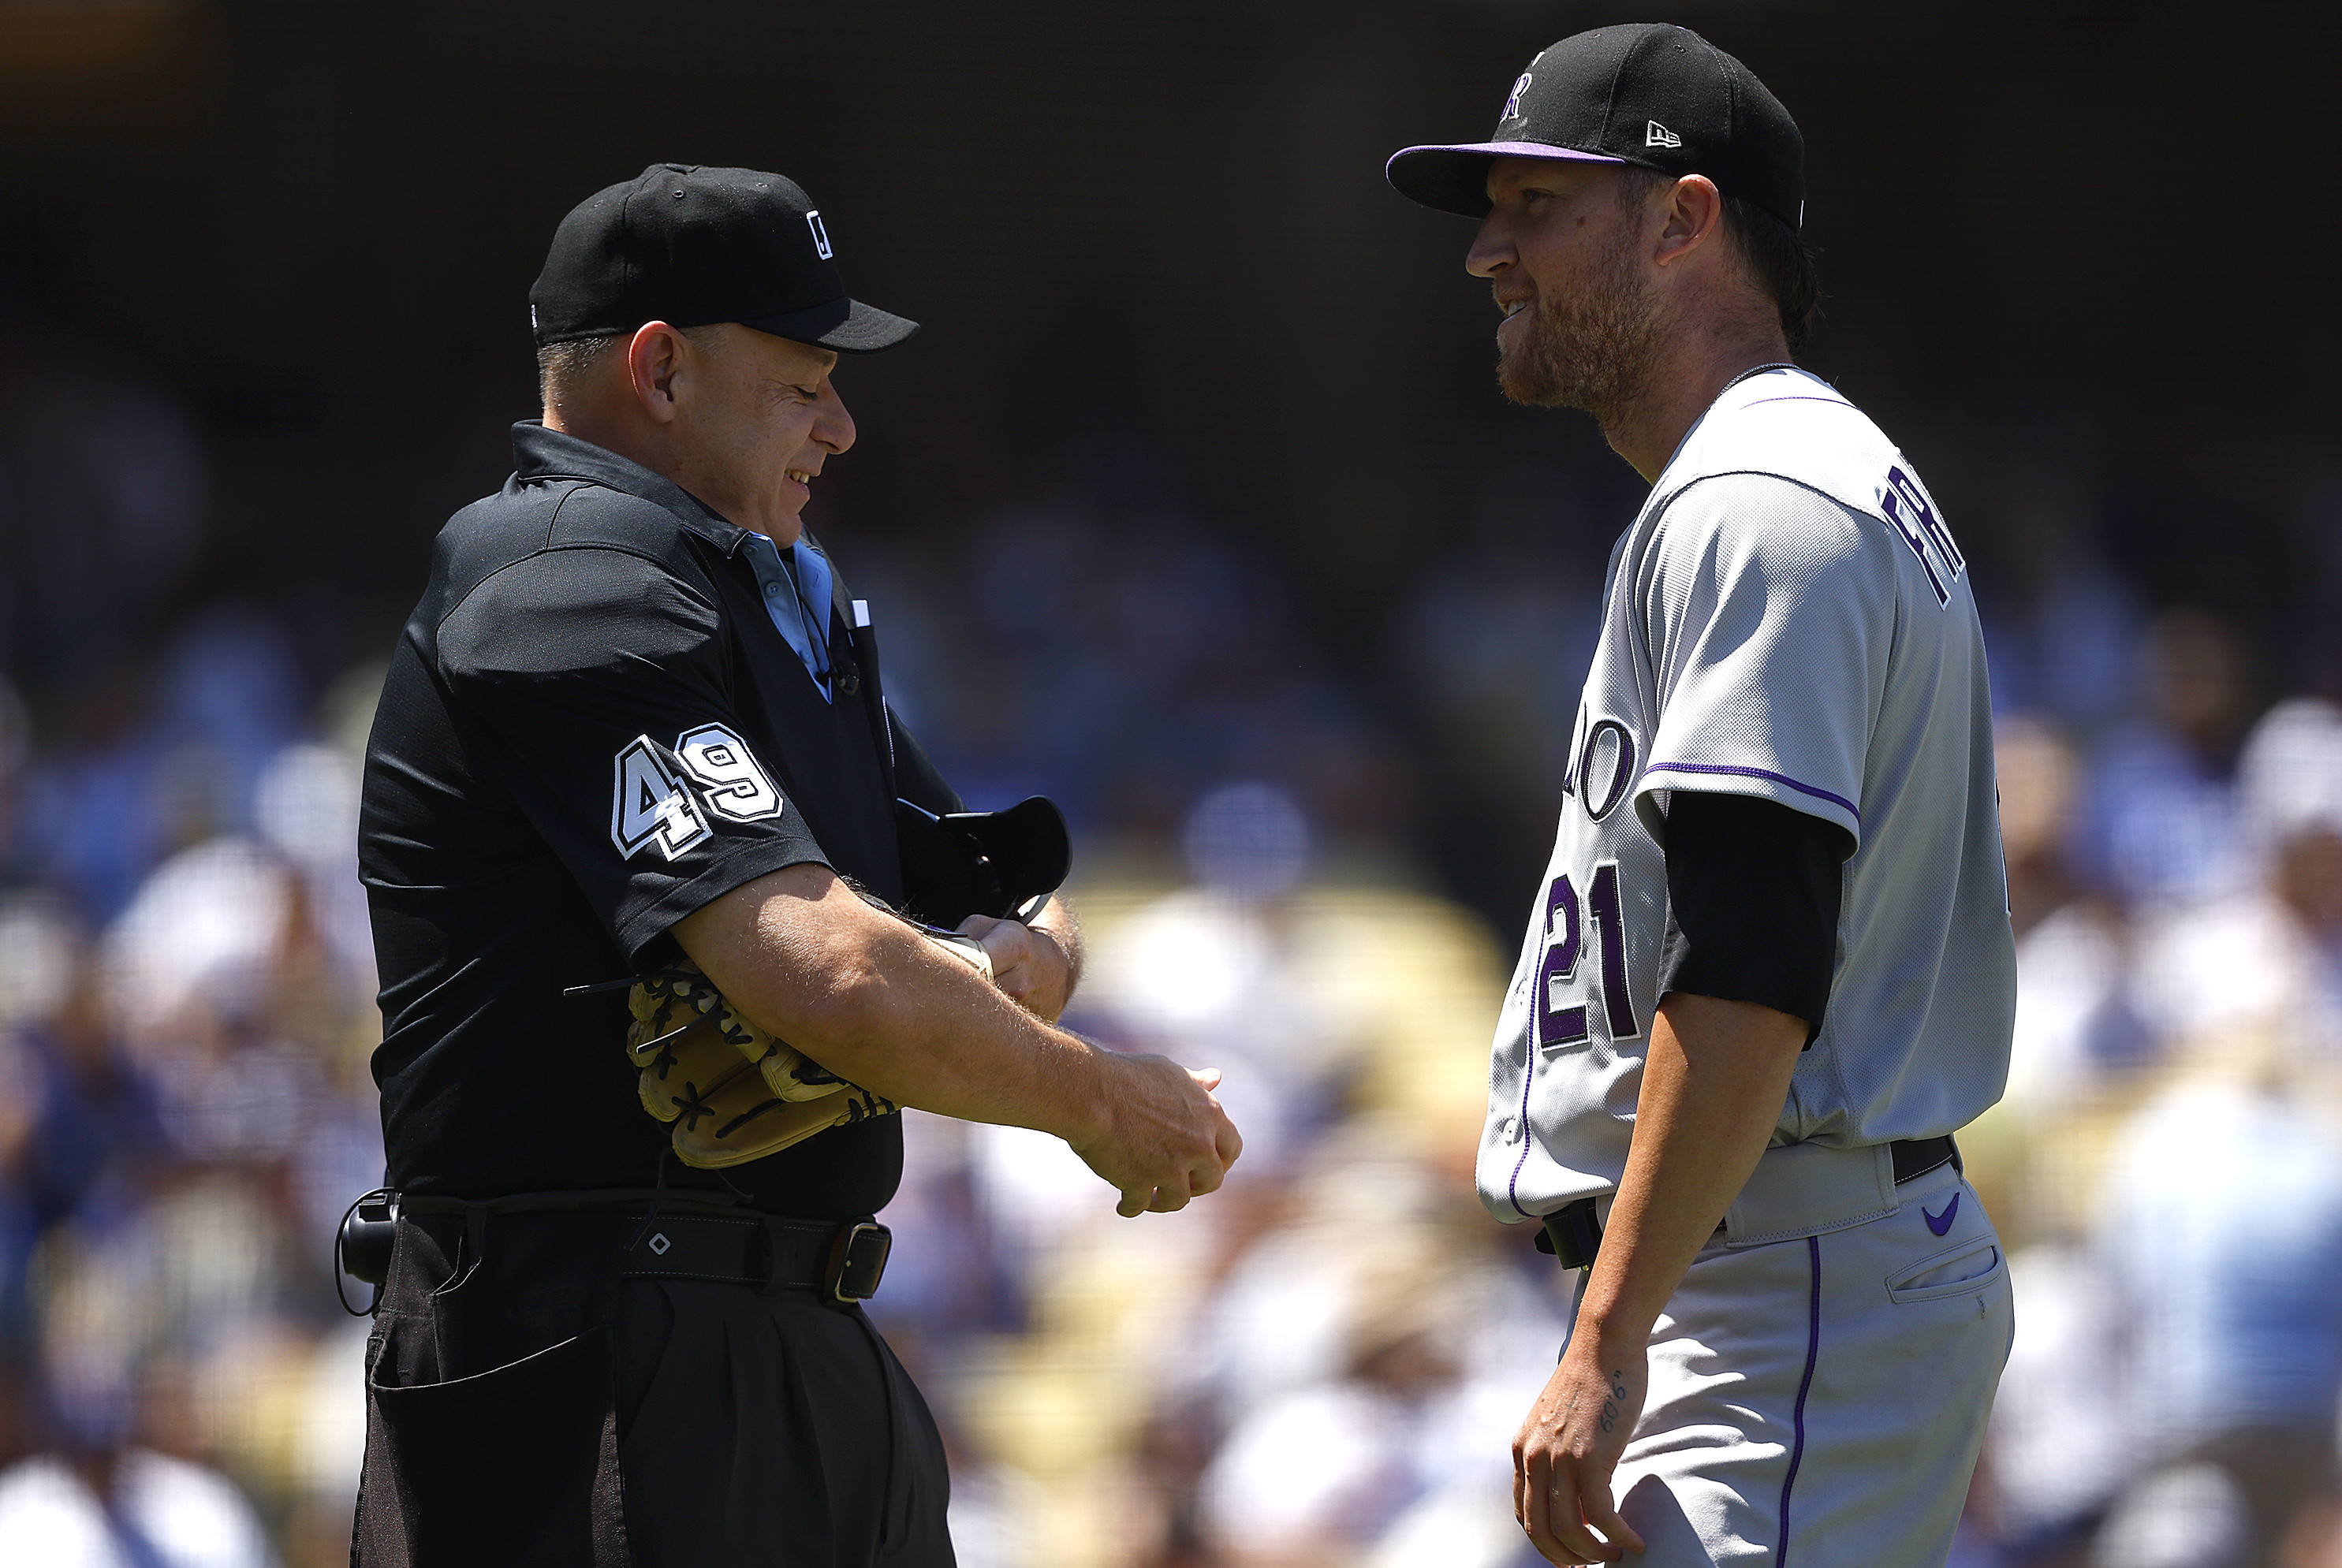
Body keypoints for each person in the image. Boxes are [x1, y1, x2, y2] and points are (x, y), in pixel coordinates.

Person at [351, 163, 1240, 1568]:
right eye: (799, 382)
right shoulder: (561, 580)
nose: (839, 425)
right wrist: (1084, 1097)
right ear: (658, 369)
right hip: (585, 1360)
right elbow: (828, 971)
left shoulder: (757, 591)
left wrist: (1002, 971)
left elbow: (1003, 894)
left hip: (788, 1340)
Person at [1385, 25, 2015, 1566]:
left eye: (1536, 203)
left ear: (1684, 217)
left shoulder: (1761, 499)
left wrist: (1605, 1337)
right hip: (1770, 1266)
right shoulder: (1768, 481)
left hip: (1781, 1283)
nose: (1486, 253)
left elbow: (1751, 965)